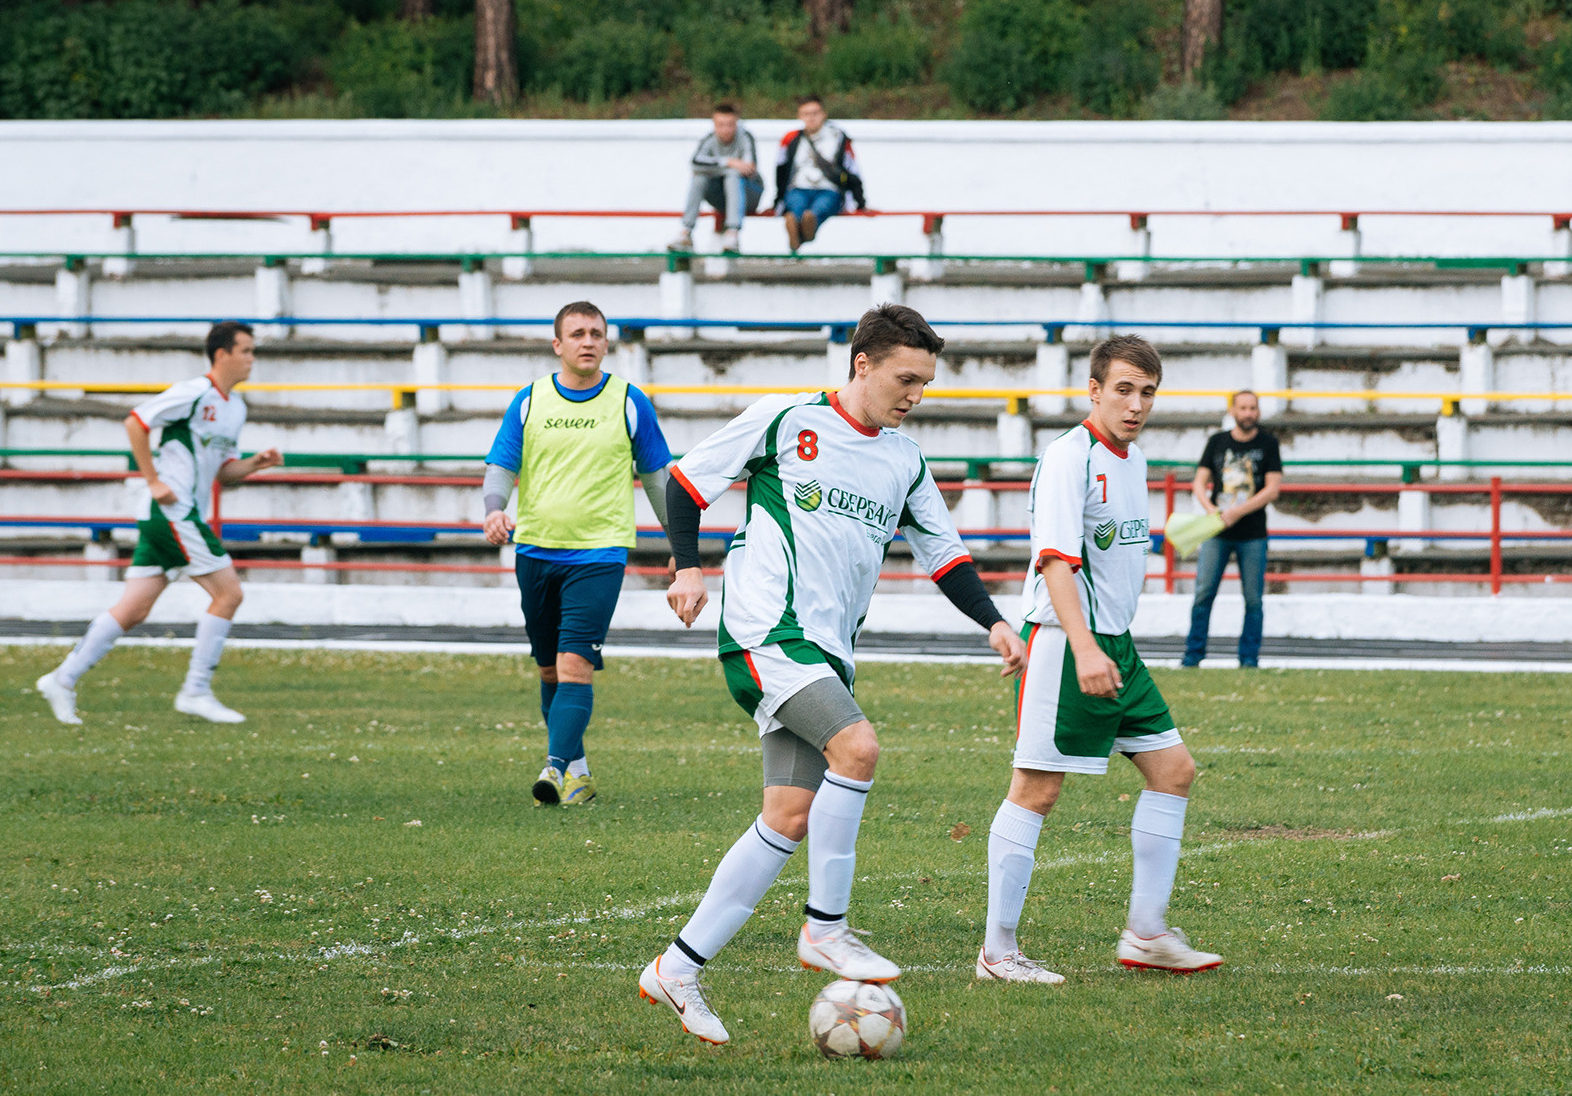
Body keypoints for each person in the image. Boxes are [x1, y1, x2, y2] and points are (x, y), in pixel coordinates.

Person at [639, 304, 1024, 1045]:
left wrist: (996, 622)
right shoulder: (787, 420)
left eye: (925, 382)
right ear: (862, 364)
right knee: (859, 748)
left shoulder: (903, 460)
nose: (914, 394)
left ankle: (678, 966)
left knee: (786, 816)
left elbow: (945, 555)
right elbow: (685, 485)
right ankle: (826, 927)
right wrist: (687, 566)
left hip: (826, 653)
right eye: (905, 378)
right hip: (766, 632)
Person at [976, 335, 1221, 986]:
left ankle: (1147, 931)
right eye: (1123, 389)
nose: (1136, 404)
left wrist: (1191, 528)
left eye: (1147, 392)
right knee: (1037, 788)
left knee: (1173, 769)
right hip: (1068, 641)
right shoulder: (1068, 456)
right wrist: (1081, 647)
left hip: (1117, 643)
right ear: (1093, 389)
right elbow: (1055, 559)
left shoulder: (1133, 460)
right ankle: (998, 949)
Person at [35, 321, 282, 726]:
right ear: (222, 354)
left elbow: (225, 473)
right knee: (229, 594)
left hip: (173, 515)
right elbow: (136, 422)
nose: (252, 359)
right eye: (246, 351)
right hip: (173, 511)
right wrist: (153, 480)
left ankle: (62, 678)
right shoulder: (193, 392)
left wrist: (256, 464)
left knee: (132, 610)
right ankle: (196, 690)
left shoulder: (236, 408)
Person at [482, 301, 674, 807]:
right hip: (536, 551)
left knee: (574, 666)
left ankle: (554, 766)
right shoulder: (529, 401)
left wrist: (682, 545)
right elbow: (502, 464)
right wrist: (494, 509)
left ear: (606, 343)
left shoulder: (630, 402)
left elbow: (658, 479)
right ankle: (580, 773)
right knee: (549, 669)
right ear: (558, 345)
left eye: (596, 333)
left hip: (600, 554)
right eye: (577, 333)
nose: (588, 341)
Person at [1182, 389, 1284, 668]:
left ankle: (1249, 659)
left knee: (1253, 600)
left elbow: (1272, 489)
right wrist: (1211, 509)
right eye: (1243, 408)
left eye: (1253, 408)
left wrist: (1237, 511)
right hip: (1217, 532)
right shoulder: (1217, 442)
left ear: (1258, 412)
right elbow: (1199, 482)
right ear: (1233, 411)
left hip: (1253, 535)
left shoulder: (1268, 443)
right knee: (1203, 594)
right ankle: (1193, 656)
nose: (1248, 413)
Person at [772, 95, 865, 253]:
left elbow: (852, 169)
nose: (811, 117)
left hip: (829, 189)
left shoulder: (838, 137)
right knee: (796, 205)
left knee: (821, 208)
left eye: (815, 113)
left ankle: (800, 233)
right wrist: (778, 199)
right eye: (806, 114)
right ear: (800, 116)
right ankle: (800, 227)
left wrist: (860, 200)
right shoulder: (791, 139)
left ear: (824, 114)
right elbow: (781, 170)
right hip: (798, 187)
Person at [673, 103, 761, 255]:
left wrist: (716, 168)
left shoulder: (746, 137)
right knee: (699, 178)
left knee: (733, 176)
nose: (725, 129)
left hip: (750, 194)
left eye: (730, 124)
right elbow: (695, 163)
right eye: (721, 125)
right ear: (714, 124)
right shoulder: (708, 140)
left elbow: (749, 168)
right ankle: (686, 232)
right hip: (721, 196)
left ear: (737, 123)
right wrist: (729, 162)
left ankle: (733, 233)